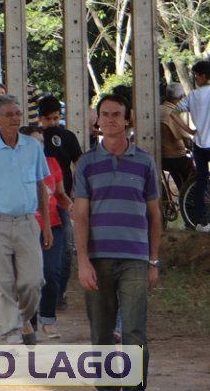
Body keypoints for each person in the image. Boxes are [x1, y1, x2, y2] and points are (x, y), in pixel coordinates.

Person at [73, 93, 160, 390]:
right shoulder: (86, 163)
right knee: (101, 333)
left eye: (116, 114)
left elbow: (154, 215)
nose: (110, 119)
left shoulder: (145, 162)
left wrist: (153, 261)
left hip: (135, 259)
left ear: (127, 119)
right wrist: (82, 261)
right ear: (97, 120)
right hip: (97, 260)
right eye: (105, 114)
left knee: (135, 331)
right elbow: (80, 216)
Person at [0, 94, 52, 344]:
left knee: (33, 280)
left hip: (28, 222)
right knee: (1, 281)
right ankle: (12, 331)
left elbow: (41, 186)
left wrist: (47, 225)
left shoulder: (32, 147)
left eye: (18, 113)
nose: (15, 118)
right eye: (9, 114)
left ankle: (22, 318)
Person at [39, 95, 82, 315]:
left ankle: (59, 292)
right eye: (48, 119)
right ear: (40, 118)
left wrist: (78, 193)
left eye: (56, 118)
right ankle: (39, 291)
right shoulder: (35, 139)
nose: (52, 123)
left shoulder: (68, 137)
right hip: (39, 202)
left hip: (62, 199)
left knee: (66, 246)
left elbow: (79, 164)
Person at [174, 59, 210, 232]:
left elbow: (173, 112)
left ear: (202, 76)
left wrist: (189, 130)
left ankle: (202, 222)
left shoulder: (193, 95)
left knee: (201, 181)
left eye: (195, 76)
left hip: (199, 143)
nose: (195, 79)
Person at [159, 82, 195, 188]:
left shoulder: (158, 109)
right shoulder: (172, 113)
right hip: (175, 158)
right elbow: (187, 140)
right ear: (181, 97)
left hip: (162, 157)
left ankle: (184, 193)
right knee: (199, 177)